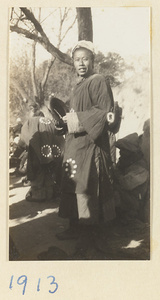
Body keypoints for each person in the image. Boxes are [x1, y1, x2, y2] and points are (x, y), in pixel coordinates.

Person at [56, 40, 116, 240]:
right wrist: (63, 122)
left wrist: (74, 120)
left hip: (90, 145)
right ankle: (74, 226)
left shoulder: (98, 80)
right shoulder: (78, 86)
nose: (81, 63)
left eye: (85, 59)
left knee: (87, 185)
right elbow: (74, 114)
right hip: (75, 145)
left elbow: (102, 112)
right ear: (73, 62)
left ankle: (88, 233)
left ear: (93, 60)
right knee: (72, 182)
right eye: (77, 59)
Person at [113, 133, 149, 223]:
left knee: (113, 194)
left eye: (124, 150)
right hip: (126, 198)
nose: (121, 153)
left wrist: (115, 174)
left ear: (131, 152)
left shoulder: (140, 168)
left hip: (134, 202)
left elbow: (126, 184)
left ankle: (129, 219)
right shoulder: (124, 162)